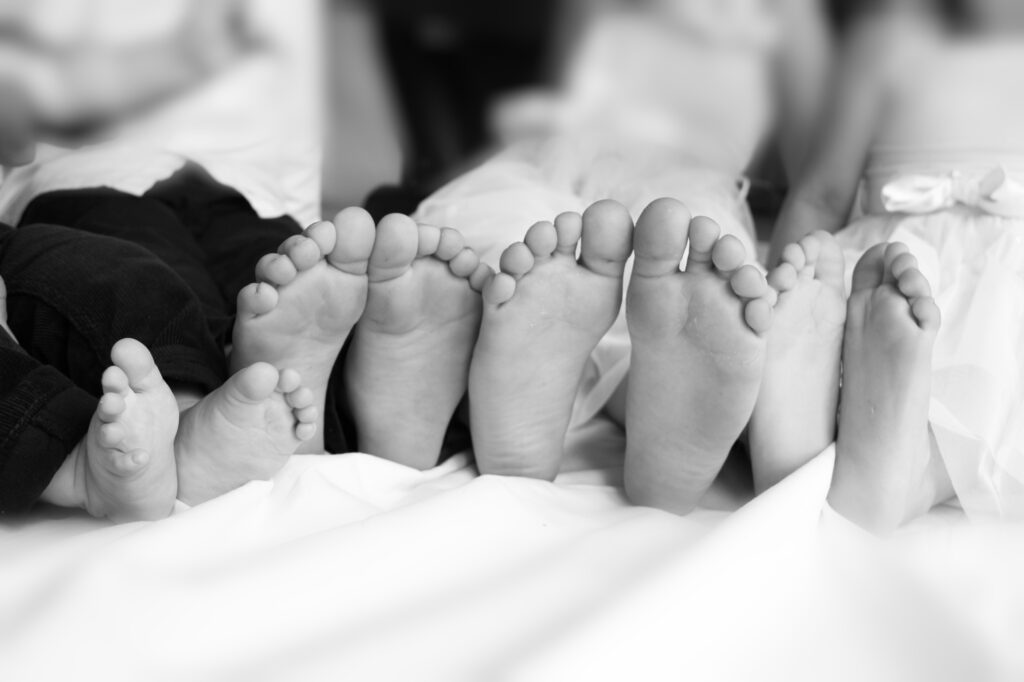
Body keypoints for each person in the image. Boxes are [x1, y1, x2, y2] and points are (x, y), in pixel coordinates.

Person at [770, 0, 1024, 529]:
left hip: (999, 278)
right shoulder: (888, 37)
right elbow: (821, 195)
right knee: (845, 329)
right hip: (890, 264)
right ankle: (812, 429)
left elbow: (821, 194)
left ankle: (908, 469)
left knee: (999, 363)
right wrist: (784, 299)